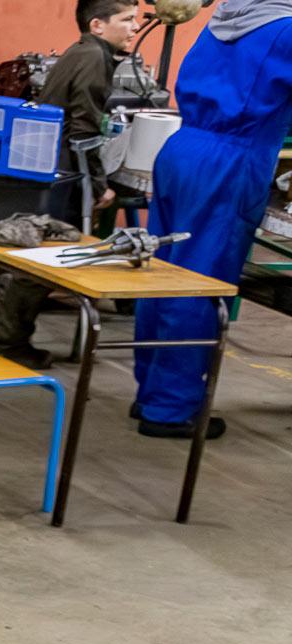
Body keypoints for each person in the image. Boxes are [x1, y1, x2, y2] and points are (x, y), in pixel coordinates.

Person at [132, 0, 292, 439]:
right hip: (229, 162)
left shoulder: (222, 20)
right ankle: (170, 409)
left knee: (161, 274)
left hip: (181, 149)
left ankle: (150, 389)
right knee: (199, 283)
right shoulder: (285, 30)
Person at [0, 0, 143, 368]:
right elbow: (84, 130)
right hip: (64, 170)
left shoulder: (81, 51)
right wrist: (100, 184)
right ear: (98, 25)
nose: (134, 28)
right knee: (50, 258)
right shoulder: (94, 58)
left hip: (49, 163)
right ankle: (9, 341)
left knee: (37, 253)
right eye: (126, 20)